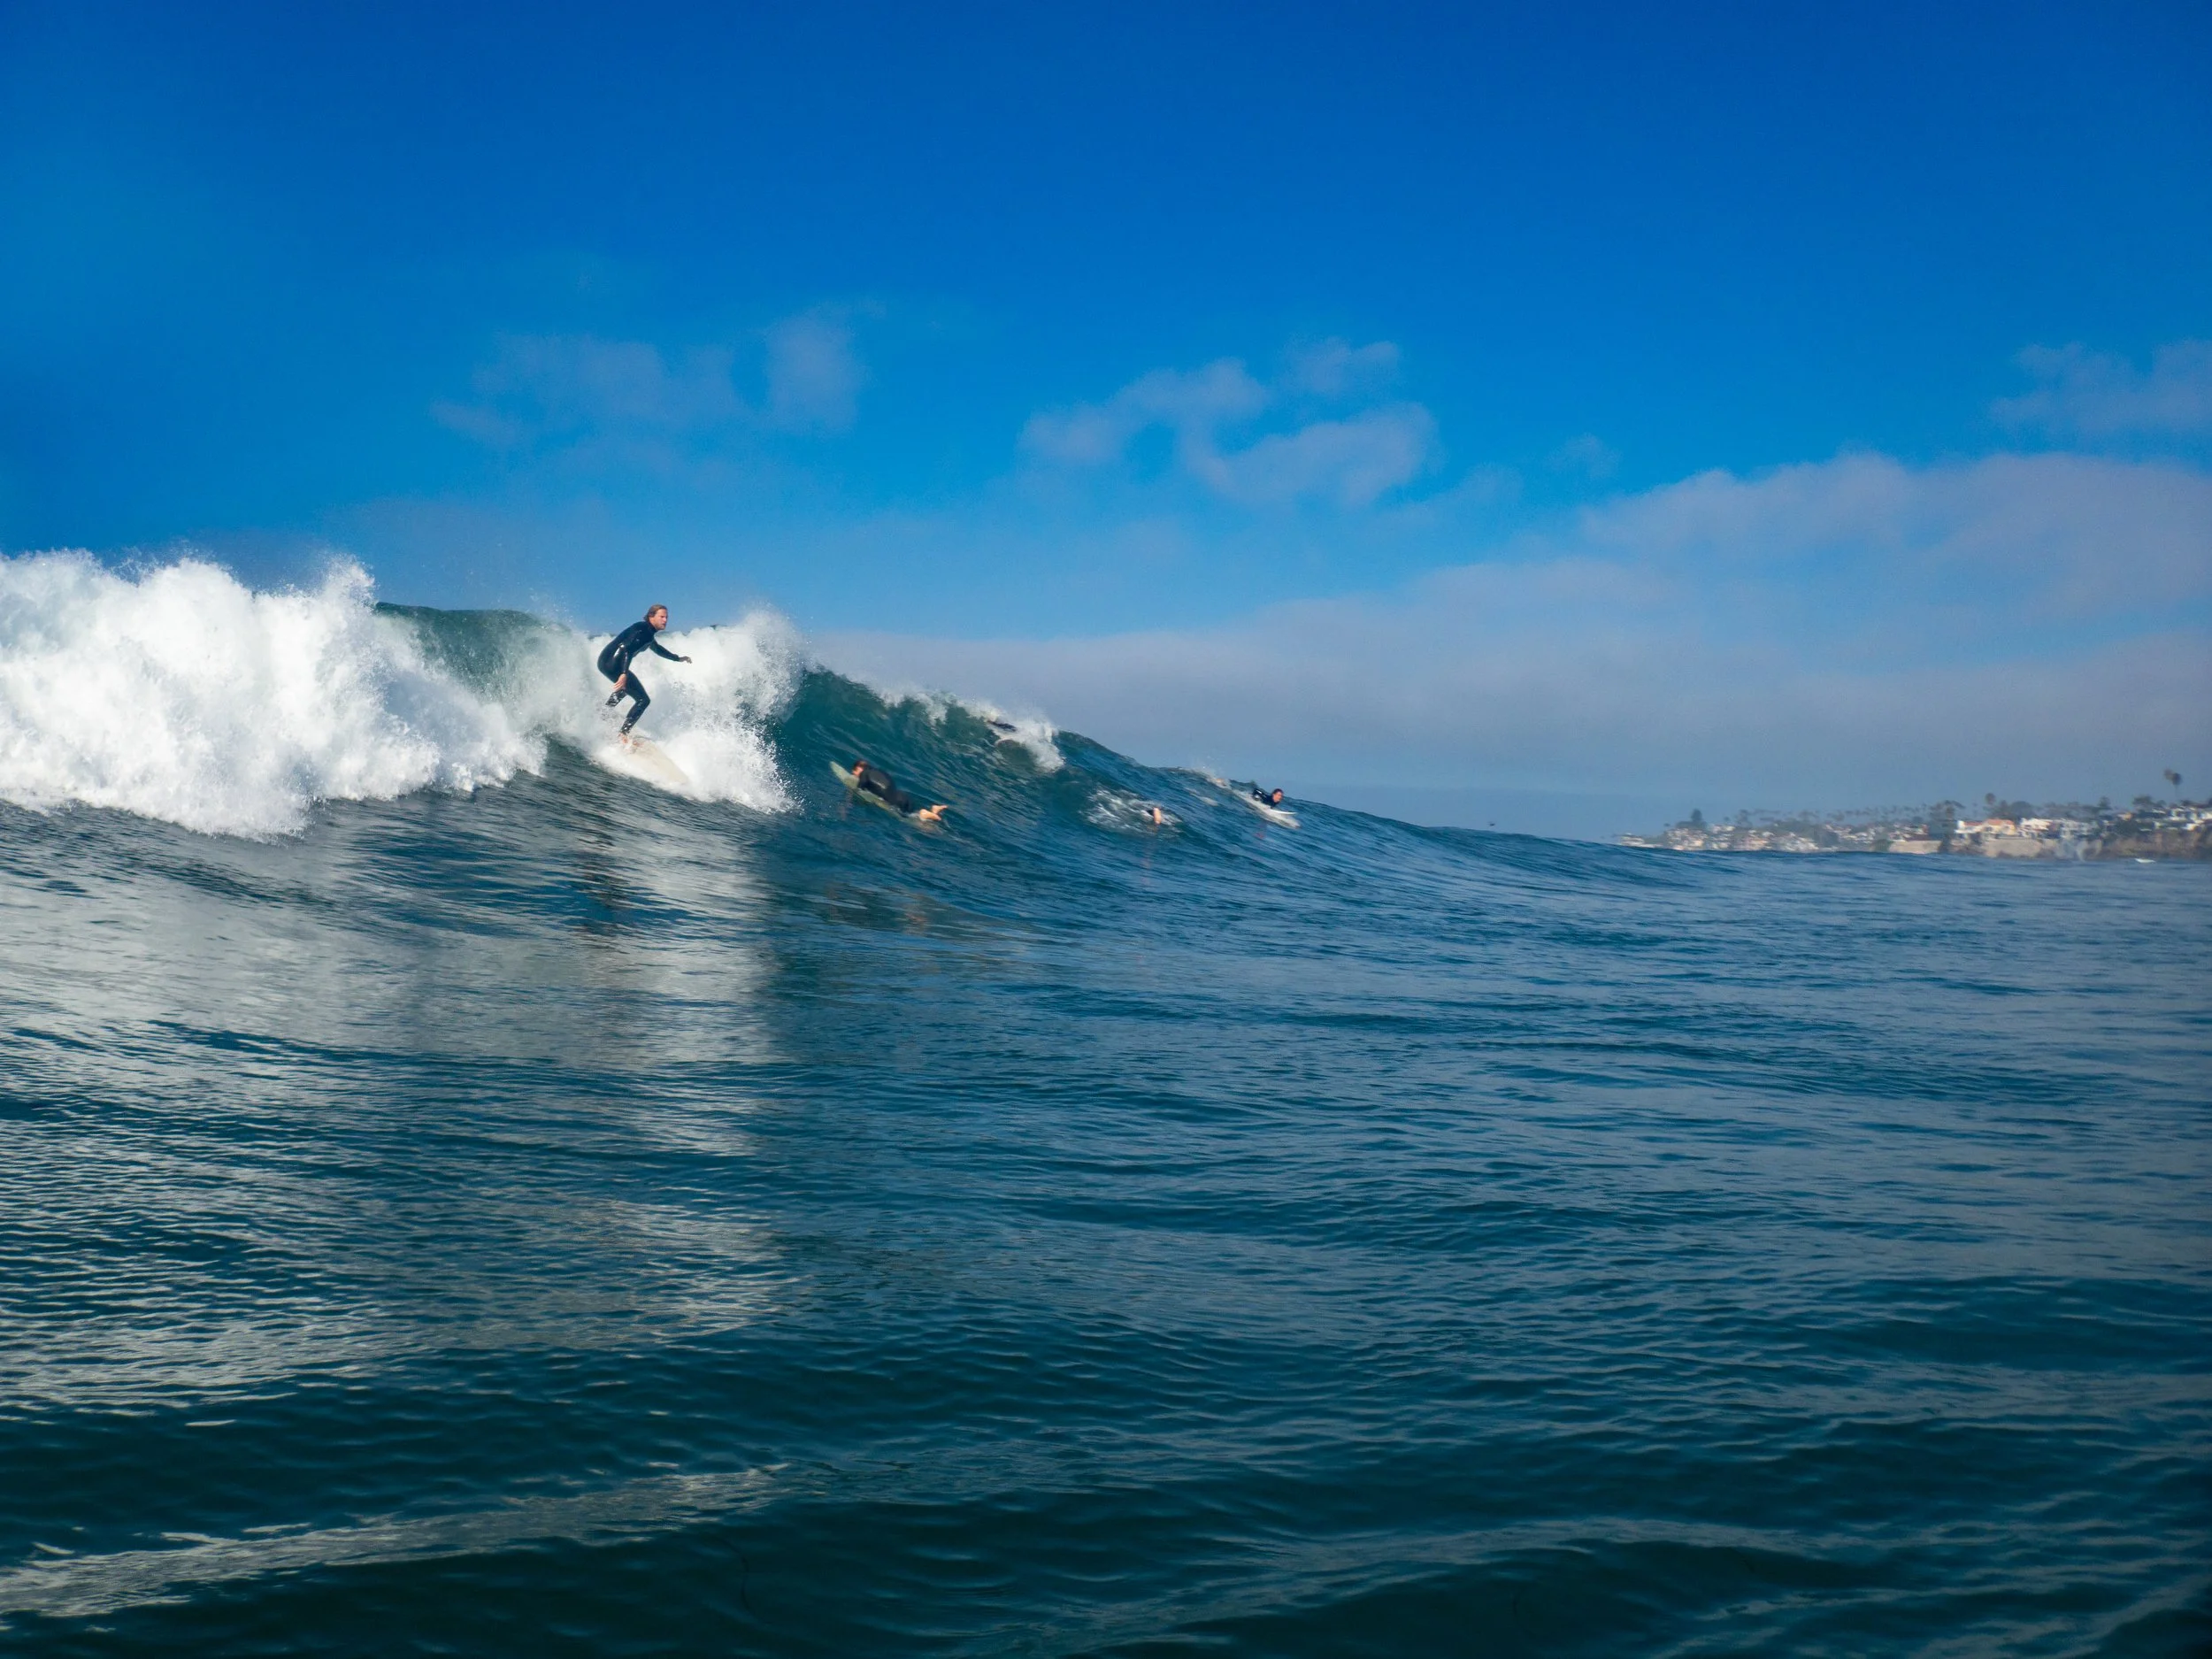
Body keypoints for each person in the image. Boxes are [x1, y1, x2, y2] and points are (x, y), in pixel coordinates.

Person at [597, 604, 691, 740]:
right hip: (612, 664)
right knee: (643, 700)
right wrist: (623, 674)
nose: (665, 620)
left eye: (666, 617)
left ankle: (603, 714)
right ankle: (623, 734)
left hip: (606, 662)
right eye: (662, 617)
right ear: (651, 616)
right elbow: (626, 649)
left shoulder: (647, 632)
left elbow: (657, 649)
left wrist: (677, 658)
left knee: (625, 689)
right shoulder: (643, 632)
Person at [851, 760, 948, 824]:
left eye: (854, 773)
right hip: (903, 796)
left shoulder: (864, 773)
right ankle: (933, 810)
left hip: (895, 801)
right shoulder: (879, 771)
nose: (855, 775)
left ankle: (924, 813)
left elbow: (859, 789)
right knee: (914, 815)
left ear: (859, 768)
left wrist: (853, 796)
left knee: (913, 819)